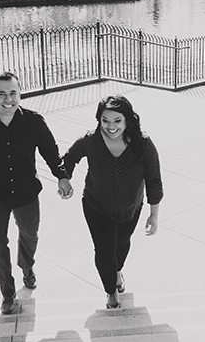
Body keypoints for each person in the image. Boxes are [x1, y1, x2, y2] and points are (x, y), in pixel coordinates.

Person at [0, 72, 73, 315]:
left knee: (30, 234)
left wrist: (62, 176)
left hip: (26, 191)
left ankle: (27, 266)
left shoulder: (34, 122)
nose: (7, 99)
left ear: (20, 94)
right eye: (1, 94)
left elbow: (50, 151)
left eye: (13, 93)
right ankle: (7, 294)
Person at [62, 95, 163, 309]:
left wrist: (154, 214)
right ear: (99, 120)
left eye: (117, 120)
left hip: (131, 208)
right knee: (104, 250)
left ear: (127, 120)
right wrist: (65, 179)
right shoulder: (90, 140)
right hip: (96, 206)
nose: (111, 126)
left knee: (122, 243)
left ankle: (117, 272)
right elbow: (69, 158)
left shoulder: (143, 144)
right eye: (105, 120)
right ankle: (110, 291)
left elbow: (154, 180)